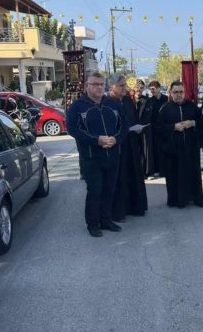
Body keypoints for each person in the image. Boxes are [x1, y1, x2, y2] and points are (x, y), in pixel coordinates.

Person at [66, 72, 128, 237]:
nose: (99, 87)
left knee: (109, 190)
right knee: (95, 191)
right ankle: (93, 224)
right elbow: (72, 129)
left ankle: (106, 220)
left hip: (112, 155)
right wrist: (96, 140)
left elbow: (124, 126)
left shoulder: (113, 104)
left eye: (101, 84)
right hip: (91, 157)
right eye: (95, 84)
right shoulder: (77, 107)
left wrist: (116, 139)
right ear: (87, 86)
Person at [158, 81, 203, 208]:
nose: (179, 95)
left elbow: (201, 122)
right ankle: (177, 200)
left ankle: (197, 198)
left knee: (193, 173)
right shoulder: (165, 108)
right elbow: (159, 127)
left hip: (190, 147)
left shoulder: (192, 106)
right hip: (174, 148)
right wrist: (173, 127)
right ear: (170, 93)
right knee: (175, 174)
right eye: (176, 92)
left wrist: (192, 123)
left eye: (181, 92)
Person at [108, 74, 148, 222]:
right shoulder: (107, 103)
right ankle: (119, 211)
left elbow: (133, 118)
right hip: (118, 146)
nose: (124, 88)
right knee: (120, 178)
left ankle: (136, 207)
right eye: (121, 86)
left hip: (131, 143)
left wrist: (137, 127)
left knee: (134, 174)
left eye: (125, 85)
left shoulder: (126, 100)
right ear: (112, 86)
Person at [147, 80, 168, 178]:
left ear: (158, 88)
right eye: (150, 89)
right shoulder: (150, 101)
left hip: (165, 128)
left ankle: (165, 170)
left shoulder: (166, 99)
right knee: (156, 150)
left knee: (165, 149)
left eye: (153, 89)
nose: (152, 91)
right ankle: (157, 169)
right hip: (154, 129)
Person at [135, 81, 154, 177]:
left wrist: (140, 125)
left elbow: (148, 115)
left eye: (141, 87)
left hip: (144, 128)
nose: (139, 89)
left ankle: (147, 172)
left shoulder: (147, 100)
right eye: (137, 87)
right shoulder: (128, 99)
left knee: (146, 150)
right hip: (131, 129)